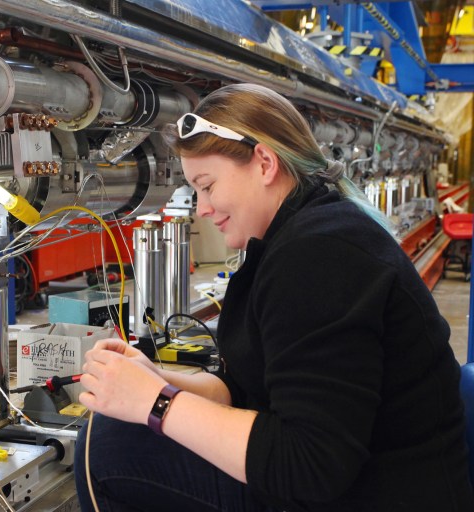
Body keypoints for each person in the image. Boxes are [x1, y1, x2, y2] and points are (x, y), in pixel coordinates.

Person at [74, 83, 474, 512]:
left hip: (375, 493)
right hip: (362, 481)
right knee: (114, 430)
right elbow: (250, 388)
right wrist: (156, 379)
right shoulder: (304, 232)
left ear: (264, 163)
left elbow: (310, 464)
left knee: (108, 448)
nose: (201, 209)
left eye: (206, 186)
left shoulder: (320, 256)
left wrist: (155, 404)